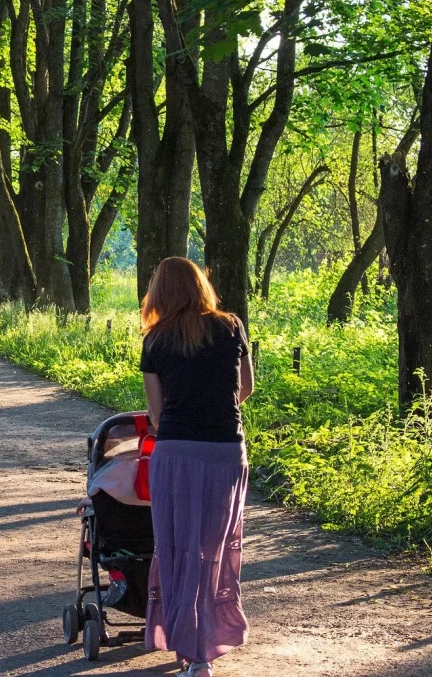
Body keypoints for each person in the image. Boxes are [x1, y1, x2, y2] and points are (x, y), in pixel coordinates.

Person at [139, 257, 255, 677]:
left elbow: (156, 413)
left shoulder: (155, 340)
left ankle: (188, 649)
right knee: (214, 551)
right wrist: (214, 411)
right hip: (225, 452)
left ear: (159, 293)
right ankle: (205, 648)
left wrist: (184, 415)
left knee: (177, 549)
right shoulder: (231, 326)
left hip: (176, 453)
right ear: (201, 285)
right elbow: (245, 387)